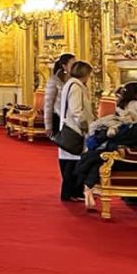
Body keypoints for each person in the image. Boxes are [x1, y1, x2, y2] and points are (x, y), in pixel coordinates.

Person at [77, 82, 137, 206]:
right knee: (102, 159)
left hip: (114, 140)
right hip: (127, 142)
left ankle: (88, 187)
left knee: (100, 159)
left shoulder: (120, 104)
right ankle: (88, 187)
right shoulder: (135, 104)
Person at [55, 60, 93, 202]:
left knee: (68, 161)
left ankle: (69, 192)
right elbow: (77, 110)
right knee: (74, 163)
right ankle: (72, 192)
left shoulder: (69, 84)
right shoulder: (76, 86)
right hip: (75, 129)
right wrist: (85, 126)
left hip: (68, 126)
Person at [43, 53, 76, 200]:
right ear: (64, 66)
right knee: (65, 154)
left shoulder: (75, 81)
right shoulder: (53, 81)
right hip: (59, 120)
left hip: (72, 121)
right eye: (72, 63)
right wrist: (48, 125)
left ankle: (72, 188)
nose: (74, 66)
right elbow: (48, 105)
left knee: (73, 154)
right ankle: (68, 188)